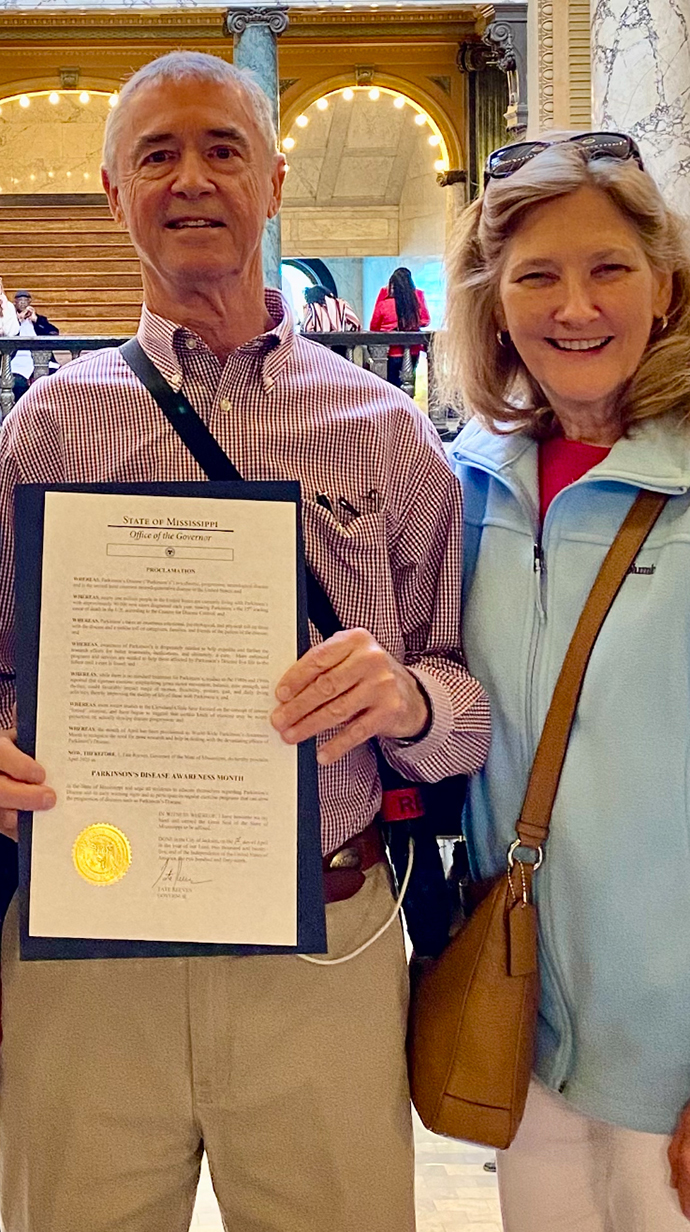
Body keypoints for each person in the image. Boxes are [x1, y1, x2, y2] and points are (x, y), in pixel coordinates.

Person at [0, 51, 490, 1232]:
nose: (191, 178)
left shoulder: (383, 430)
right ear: (115, 195)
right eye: (155, 154)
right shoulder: (46, 430)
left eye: (222, 148)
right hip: (90, 951)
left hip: (322, 943)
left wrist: (406, 701)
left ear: (274, 183)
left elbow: (468, 701)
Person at [446, 130, 690, 1231]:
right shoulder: (463, 483)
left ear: (666, 286)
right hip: (523, 1024)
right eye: (537, 274)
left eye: (607, 269)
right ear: (496, 304)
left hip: (673, 1050)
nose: (574, 305)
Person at [369, 266, 430, 392]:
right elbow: (425, 321)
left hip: (389, 352)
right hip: (412, 351)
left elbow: (374, 327)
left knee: (391, 387)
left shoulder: (384, 303)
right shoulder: (416, 299)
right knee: (408, 386)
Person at [10, 290, 60, 401]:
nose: (22, 303)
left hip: (40, 358)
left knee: (55, 376)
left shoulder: (39, 319)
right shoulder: (10, 320)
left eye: (25, 300)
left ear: (29, 302)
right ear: (15, 303)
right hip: (16, 361)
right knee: (17, 383)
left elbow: (54, 333)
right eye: (20, 301)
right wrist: (18, 319)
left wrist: (35, 319)